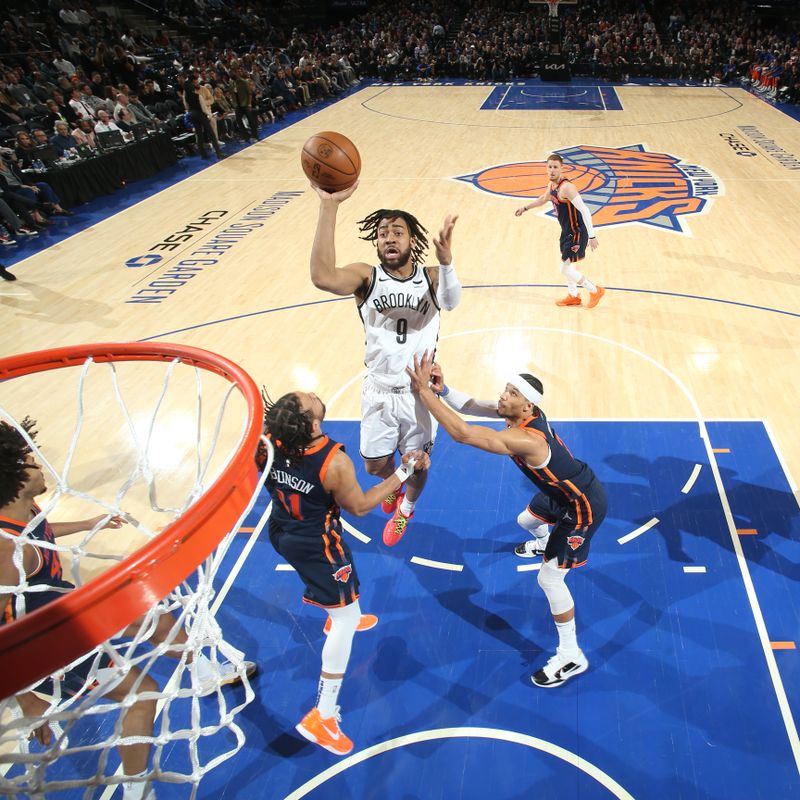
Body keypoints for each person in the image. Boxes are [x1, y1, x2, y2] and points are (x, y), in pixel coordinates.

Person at [0, 418, 257, 798]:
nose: (38, 462)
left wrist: (89, 522)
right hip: (51, 643)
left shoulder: (22, 506)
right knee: (143, 693)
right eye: (30, 460)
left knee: (152, 613)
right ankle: (137, 791)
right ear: (15, 477)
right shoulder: (6, 551)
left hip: (66, 607)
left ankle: (202, 671)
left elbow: (42, 528)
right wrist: (26, 697)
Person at [407, 352, 607, 688]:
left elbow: (464, 434)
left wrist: (423, 394)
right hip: (562, 491)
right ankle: (547, 540)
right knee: (526, 521)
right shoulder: (519, 414)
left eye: (512, 394)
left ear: (528, 407)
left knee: (549, 579)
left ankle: (572, 656)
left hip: (581, 506)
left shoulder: (527, 439)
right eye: (506, 389)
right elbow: (472, 406)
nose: (503, 396)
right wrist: (442, 391)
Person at [259, 390, 429, 754]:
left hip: (281, 529)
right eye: (306, 399)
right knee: (347, 618)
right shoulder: (333, 462)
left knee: (339, 598)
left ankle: (335, 613)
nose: (309, 393)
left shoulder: (268, 442)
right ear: (314, 423)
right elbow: (363, 506)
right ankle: (323, 714)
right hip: (318, 545)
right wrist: (403, 471)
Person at [309, 182, 460, 547]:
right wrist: (328, 206)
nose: (389, 238)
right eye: (382, 234)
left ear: (413, 241)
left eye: (398, 232)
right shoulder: (367, 277)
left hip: (418, 394)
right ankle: (395, 482)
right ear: (376, 244)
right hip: (377, 389)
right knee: (375, 466)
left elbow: (452, 302)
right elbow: (322, 277)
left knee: (417, 464)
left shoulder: (432, 277)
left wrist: (447, 261)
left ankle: (407, 506)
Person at [515, 153, 605, 308]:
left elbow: (585, 210)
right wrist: (525, 208)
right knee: (568, 265)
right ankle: (574, 296)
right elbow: (543, 199)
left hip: (577, 232)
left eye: (555, 167)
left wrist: (592, 235)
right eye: (549, 167)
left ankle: (595, 290)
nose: (552, 170)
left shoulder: (567, 188)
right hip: (566, 231)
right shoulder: (552, 186)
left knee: (564, 269)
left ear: (561, 169)